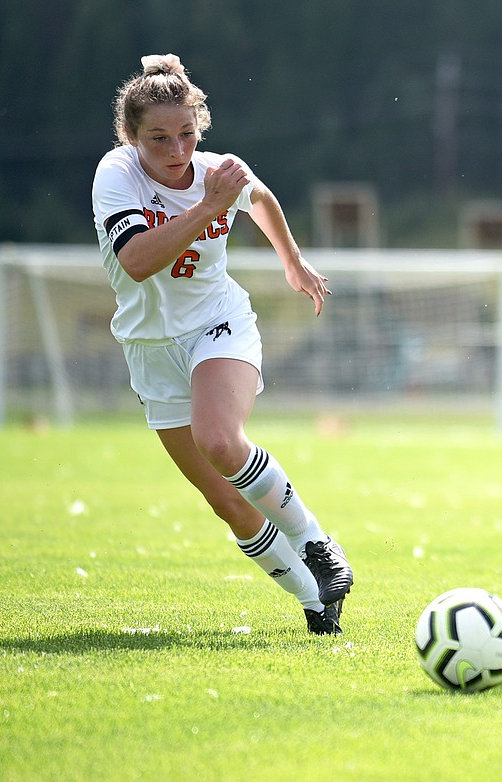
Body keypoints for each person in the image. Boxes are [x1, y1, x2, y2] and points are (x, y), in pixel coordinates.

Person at [91, 54, 353, 635]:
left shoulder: (219, 170)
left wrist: (293, 261)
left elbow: (260, 199)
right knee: (226, 502)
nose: (176, 150)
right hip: (148, 346)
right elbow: (136, 262)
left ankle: (317, 544)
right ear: (130, 136)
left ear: (200, 128)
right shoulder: (117, 174)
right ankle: (317, 603)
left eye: (187, 134)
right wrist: (209, 206)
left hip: (218, 320)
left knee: (219, 439)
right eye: (158, 138)